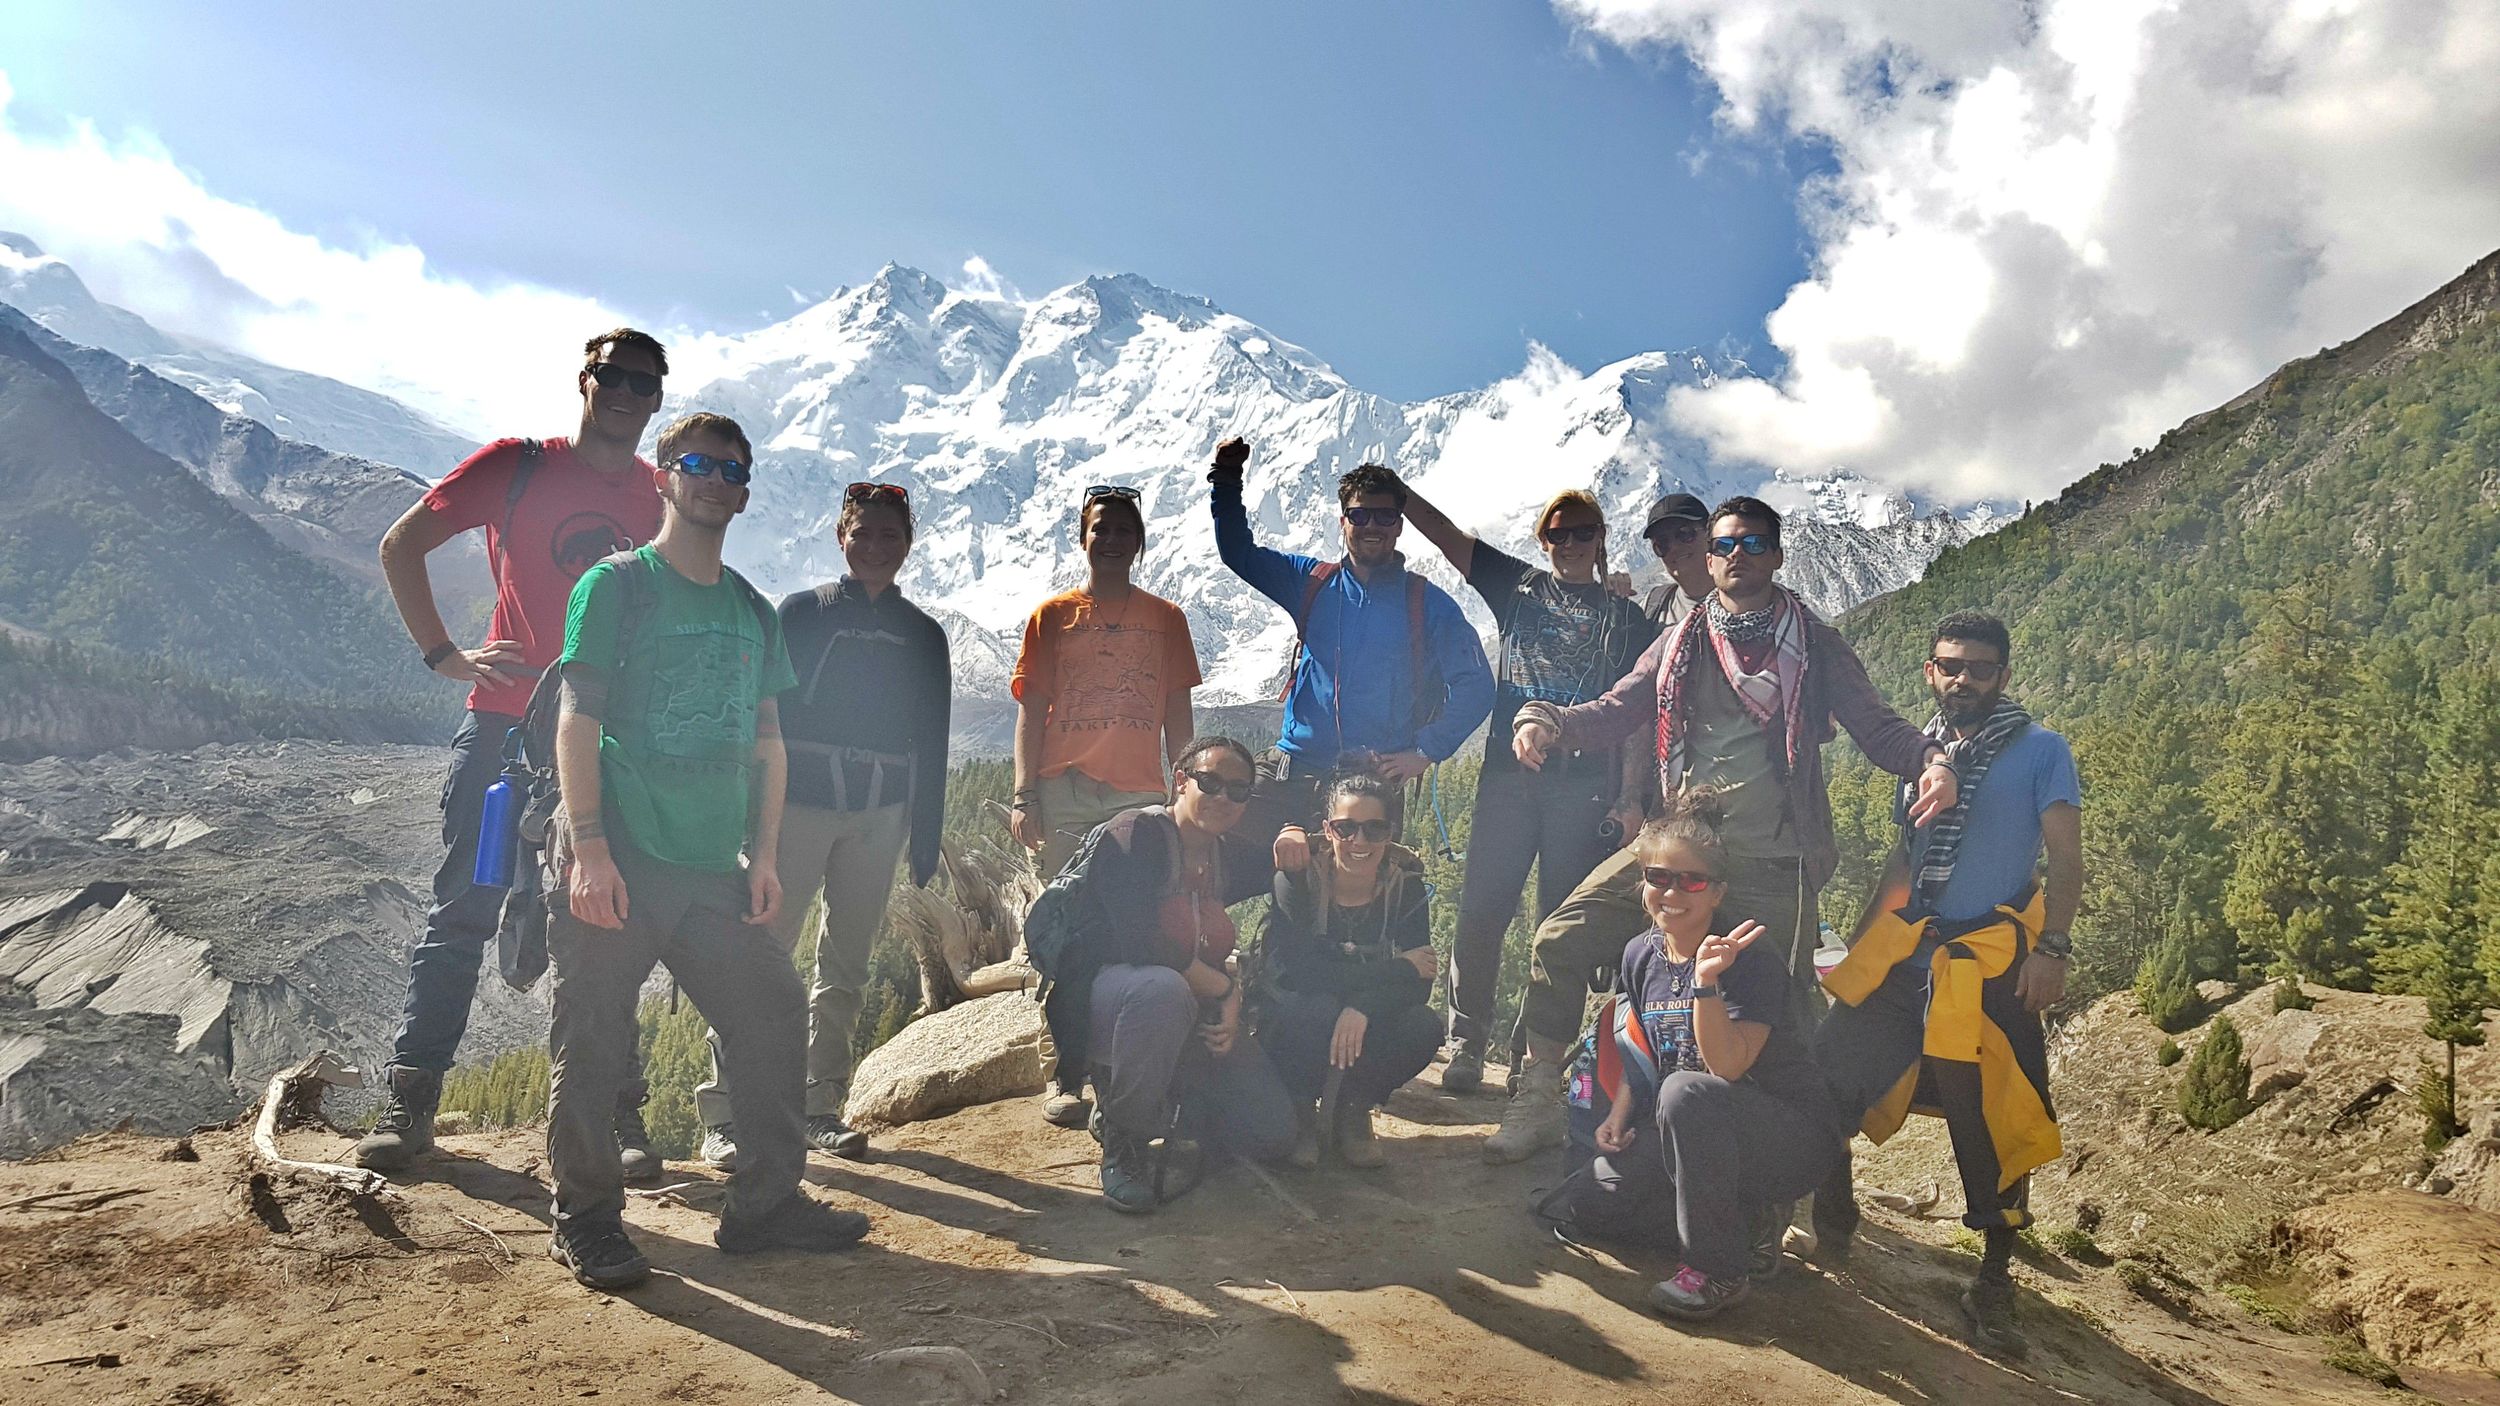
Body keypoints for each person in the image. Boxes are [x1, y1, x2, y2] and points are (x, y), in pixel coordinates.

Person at [1486, 495, 1959, 1164]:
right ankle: (1539, 1094)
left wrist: (1932, 761)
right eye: (1727, 545)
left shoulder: (1815, 644)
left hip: (1771, 858)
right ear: (1710, 559)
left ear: (1777, 554)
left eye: (1754, 543)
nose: (1739, 555)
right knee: (1562, 936)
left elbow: (1877, 726)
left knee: (1785, 1017)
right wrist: (1547, 719)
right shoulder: (1680, 641)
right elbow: (1619, 707)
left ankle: (1789, 1175)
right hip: (1679, 847)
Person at [541, 412, 867, 1289]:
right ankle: (587, 1216)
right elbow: (579, 719)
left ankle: (764, 1205)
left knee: (768, 1005)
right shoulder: (617, 587)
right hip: (623, 851)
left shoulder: (752, 609)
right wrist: (590, 846)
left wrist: (763, 856)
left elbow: (768, 743)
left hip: (708, 865)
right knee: (596, 1038)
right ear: (663, 474)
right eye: (698, 464)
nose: (716, 480)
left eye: (732, 471)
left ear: (745, 492)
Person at [359, 328, 669, 1176]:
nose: (628, 396)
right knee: (466, 902)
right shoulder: (515, 465)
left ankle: (615, 1114)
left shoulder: (660, 495)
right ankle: (412, 1100)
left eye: (646, 385)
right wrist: (444, 655)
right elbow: (401, 545)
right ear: (586, 380)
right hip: (504, 725)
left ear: (657, 400)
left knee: (608, 918)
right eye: (615, 377)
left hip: (605, 732)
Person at [1813, 611, 2082, 1358]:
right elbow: (1904, 864)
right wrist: (1860, 952)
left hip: (1993, 964)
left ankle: (1995, 1282)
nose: (1962, 679)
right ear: (1930, 670)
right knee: (1830, 1070)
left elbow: (2064, 857)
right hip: (1910, 955)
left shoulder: (2040, 751)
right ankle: (1832, 1217)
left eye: (1979, 668)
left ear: (2003, 675)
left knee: (1998, 1112)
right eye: (1949, 666)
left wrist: (2052, 948)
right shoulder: (1925, 756)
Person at [695, 480, 951, 1169]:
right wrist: (753, 822)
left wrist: (924, 837)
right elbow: (762, 717)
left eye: (889, 536)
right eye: (862, 533)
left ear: (908, 544)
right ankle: (726, 1112)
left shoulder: (924, 636)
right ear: (841, 537)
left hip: (880, 816)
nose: (875, 547)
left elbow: (933, 737)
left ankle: (817, 1106)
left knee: (845, 966)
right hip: (796, 809)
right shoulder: (802, 615)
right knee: (758, 956)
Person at [1392, 481, 1657, 1094]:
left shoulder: (1627, 619)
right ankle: (1466, 1040)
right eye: (1557, 533)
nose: (1569, 543)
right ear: (1542, 540)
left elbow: (1639, 712)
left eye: (1582, 532)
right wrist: (1399, 495)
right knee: (1483, 909)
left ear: (1601, 539)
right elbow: (1451, 540)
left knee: (1555, 925)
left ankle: (1525, 1055)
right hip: (1508, 781)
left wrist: (1630, 796)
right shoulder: (1516, 587)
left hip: (1584, 785)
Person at [1565, 791, 1842, 1321]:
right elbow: (1643, 1045)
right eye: (1657, 877)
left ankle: (1716, 1270)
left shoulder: (1748, 961)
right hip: (1694, 1136)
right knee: (1591, 1199)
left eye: (1689, 881)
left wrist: (1707, 984)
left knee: (1686, 1090)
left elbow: (1727, 1068)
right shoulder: (1639, 954)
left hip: (1785, 1138)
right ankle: (1743, 1224)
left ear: (1716, 891)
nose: (1671, 892)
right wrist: (1620, 1118)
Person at [1041, 736, 1298, 1213]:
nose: (1223, 797)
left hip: (1188, 1011)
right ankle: (1126, 1138)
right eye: (1210, 782)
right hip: (1114, 1005)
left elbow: (1297, 862)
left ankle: (1164, 1106)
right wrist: (1225, 987)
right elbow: (1143, 944)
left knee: (1273, 1134)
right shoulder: (1135, 834)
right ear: (1181, 781)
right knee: (1161, 988)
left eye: (1238, 791)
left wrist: (1301, 836)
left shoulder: (1227, 855)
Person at [1206, 437, 1494, 859]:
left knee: (1342, 911)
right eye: (1360, 515)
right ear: (1343, 521)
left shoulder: (1428, 604)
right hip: (1291, 771)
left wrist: (1426, 751)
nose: (1372, 525)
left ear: (1399, 524)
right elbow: (1238, 552)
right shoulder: (1311, 582)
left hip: (1370, 785)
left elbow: (1477, 686)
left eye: (1384, 515)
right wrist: (1226, 478)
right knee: (1207, 850)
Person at [1010, 485, 1202, 883]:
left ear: (1138, 544)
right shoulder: (1051, 617)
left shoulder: (1168, 619)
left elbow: (1178, 716)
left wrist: (1185, 795)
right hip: (1063, 794)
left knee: (1139, 910)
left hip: (1140, 794)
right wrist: (1025, 796)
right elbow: (1030, 711)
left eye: (1123, 531)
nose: (1111, 540)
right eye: (1101, 529)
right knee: (1062, 913)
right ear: (1084, 539)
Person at [1257, 775, 1442, 1168]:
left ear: (1390, 832)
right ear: (1328, 830)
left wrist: (1362, 1007)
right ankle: (1300, 1105)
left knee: (1423, 1027)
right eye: (1346, 828)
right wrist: (1395, 969)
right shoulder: (1296, 880)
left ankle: (1352, 1107)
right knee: (1312, 1010)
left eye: (1375, 828)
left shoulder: (1405, 887)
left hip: (1357, 1011)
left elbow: (1420, 983)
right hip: (1297, 1012)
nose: (1360, 841)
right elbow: (1298, 974)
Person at [1612, 492, 1715, 845]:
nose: (1673, 548)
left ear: (1710, 533)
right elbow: (1634, 699)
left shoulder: (1749, 600)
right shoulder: (1656, 604)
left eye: (1685, 535)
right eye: (1661, 544)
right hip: (1662, 788)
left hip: (1729, 783)